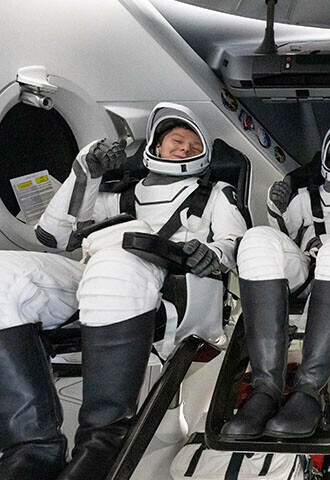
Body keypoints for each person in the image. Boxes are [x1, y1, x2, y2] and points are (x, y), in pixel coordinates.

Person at [0, 102, 247, 480]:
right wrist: (85, 173)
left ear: (205, 156)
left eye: (192, 144)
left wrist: (209, 252)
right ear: (156, 148)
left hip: (175, 288)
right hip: (95, 279)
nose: (182, 148)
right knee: (6, 274)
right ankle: (32, 448)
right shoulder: (118, 194)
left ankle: (101, 443)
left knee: (118, 257)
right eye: (174, 141)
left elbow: (233, 245)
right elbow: (54, 234)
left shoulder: (213, 195)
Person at [222, 126, 330, 439]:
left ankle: (308, 391)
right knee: (257, 237)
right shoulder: (303, 197)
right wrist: (274, 209)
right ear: (327, 160)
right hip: (305, 269)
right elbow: (283, 235)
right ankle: (265, 390)